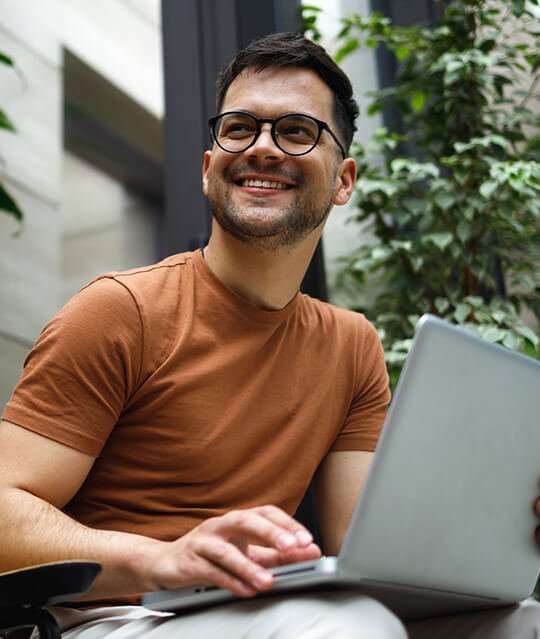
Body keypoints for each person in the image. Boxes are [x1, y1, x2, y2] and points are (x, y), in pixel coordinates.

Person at [0, 32, 538, 639]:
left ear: (343, 180)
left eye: (297, 131)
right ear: (209, 169)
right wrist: (162, 558)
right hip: (108, 616)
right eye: (239, 128)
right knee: (348, 628)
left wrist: (505, 527)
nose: (261, 148)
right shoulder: (121, 309)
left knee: (521, 623)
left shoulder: (351, 345)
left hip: (248, 607)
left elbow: (366, 549)